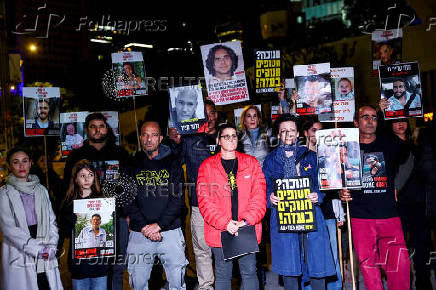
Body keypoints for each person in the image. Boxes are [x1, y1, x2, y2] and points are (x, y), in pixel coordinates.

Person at [341, 106, 410, 290]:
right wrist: (341, 191)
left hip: (389, 214)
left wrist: (397, 185)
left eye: (374, 117)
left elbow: (409, 158)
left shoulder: (389, 143)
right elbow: (336, 176)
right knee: (369, 268)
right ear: (356, 122)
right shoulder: (347, 148)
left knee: (399, 266)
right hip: (360, 216)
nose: (370, 120)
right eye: (365, 117)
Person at [263, 114, 335, 290]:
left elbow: (322, 182)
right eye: (283, 131)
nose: (288, 134)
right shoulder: (270, 160)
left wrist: (319, 195)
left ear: (297, 134)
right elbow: (264, 187)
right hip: (284, 216)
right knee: (290, 265)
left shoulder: (310, 156)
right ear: (278, 135)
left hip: (310, 213)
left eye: (292, 130)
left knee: (317, 262)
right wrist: (270, 198)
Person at [63, 112, 129, 290]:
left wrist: (127, 214)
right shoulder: (76, 156)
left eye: (101, 126)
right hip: (85, 219)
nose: (97, 130)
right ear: (86, 130)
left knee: (116, 263)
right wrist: (70, 216)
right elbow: (66, 188)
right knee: (89, 263)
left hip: (117, 217)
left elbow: (130, 185)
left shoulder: (120, 153)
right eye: (93, 126)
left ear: (107, 129)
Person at [197, 123, 266, 290]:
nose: (231, 139)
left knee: (249, 272)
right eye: (226, 136)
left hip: (246, 228)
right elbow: (204, 201)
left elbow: (259, 196)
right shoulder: (207, 166)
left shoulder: (251, 163)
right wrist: (225, 223)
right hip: (220, 230)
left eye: (234, 136)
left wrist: (246, 221)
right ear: (218, 140)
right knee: (222, 274)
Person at [124, 121, 188, 289]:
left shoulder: (173, 163)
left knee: (177, 282)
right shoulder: (130, 164)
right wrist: (145, 226)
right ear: (140, 138)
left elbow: (178, 200)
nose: (149, 139)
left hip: (170, 231)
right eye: (145, 135)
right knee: (137, 283)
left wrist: (158, 225)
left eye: (153, 135)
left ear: (160, 138)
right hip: (140, 232)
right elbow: (127, 199)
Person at [168, 99, 218, 290]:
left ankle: (224, 282)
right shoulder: (189, 140)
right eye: (205, 114)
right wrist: (175, 141)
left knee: (225, 250)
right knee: (202, 250)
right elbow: (174, 161)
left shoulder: (227, 135)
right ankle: (206, 286)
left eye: (212, 112)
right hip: (200, 204)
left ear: (216, 114)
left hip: (227, 204)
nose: (209, 117)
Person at [0, 147, 63, 290]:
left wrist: (52, 245)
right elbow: (9, 229)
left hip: (44, 241)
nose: (21, 166)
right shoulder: (4, 194)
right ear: (9, 166)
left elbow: (51, 221)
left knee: (45, 284)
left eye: (25, 161)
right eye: (16, 162)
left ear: (30, 163)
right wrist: (37, 249)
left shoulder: (41, 189)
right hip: (19, 247)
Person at [389, 119, 433, 289]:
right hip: (398, 203)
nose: (400, 124)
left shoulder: (417, 143)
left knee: (422, 246)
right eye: (396, 121)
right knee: (400, 248)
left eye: (403, 121)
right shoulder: (388, 145)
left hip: (419, 202)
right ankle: (405, 282)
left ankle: (424, 282)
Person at [301, 118, 345, 290]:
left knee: (332, 253)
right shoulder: (299, 155)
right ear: (305, 133)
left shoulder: (328, 154)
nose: (316, 134)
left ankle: (334, 287)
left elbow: (335, 186)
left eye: (320, 130)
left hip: (327, 211)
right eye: (313, 130)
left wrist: (339, 211)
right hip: (305, 214)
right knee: (308, 256)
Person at [59, 159, 108, 289]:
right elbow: (63, 232)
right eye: (82, 176)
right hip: (79, 264)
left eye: (90, 175)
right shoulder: (69, 203)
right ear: (75, 179)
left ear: (95, 178)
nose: (87, 179)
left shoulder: (104, 201)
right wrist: (71, 219)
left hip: (100, 264)